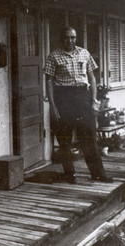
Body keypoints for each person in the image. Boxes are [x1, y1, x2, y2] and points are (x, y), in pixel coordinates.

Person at [44, 26, 113, 184]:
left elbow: (92, 77)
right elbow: (49, 81)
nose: (70, 40)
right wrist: (53, 106)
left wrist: (94, 100)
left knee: (89, 137)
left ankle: (97, 173)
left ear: (76, 38)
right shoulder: (54, 56)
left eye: (73, 37)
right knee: (64, 139)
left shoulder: (84, 53)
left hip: (83, 97)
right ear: (62, 39)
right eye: (67, 37)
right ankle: (69, 174)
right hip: (64, 98)